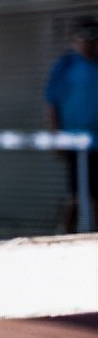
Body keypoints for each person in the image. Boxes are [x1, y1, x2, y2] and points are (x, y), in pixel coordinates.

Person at [44, 16, 98, 233]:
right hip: (74, 141)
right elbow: (50, 102)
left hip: (97, 142)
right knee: (75, 194)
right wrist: (56, 136)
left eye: (93, 40)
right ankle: (67, 236)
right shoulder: (65, 66)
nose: (88, 45)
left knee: (97, 195)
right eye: (83, 40)